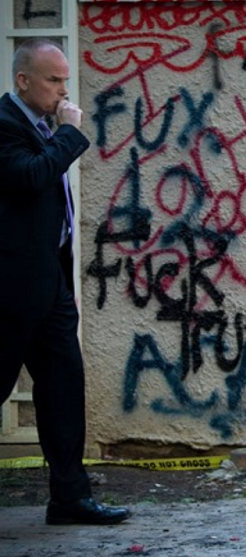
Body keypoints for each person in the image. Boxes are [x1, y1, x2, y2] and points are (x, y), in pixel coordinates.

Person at [0, 38, 131, 526]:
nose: (63, 91)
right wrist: (70, 134)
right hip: (9, 289)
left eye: (65, 81)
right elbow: (32, 177)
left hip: (48, 284)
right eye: (53, 80)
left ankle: (70, 498)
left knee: (63, 388)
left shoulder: (40, 127)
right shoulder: (5, 126)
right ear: (23, 81)